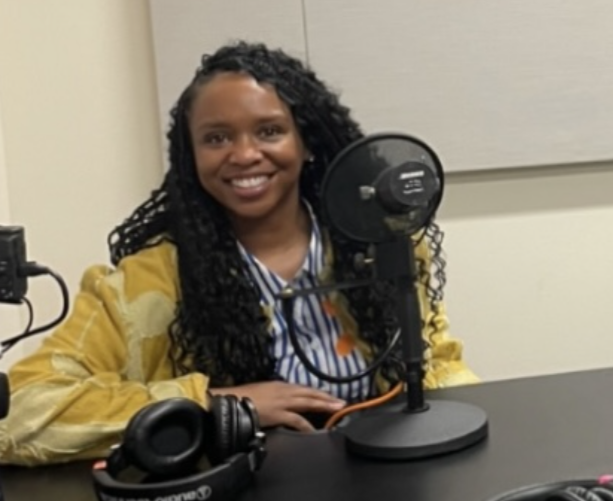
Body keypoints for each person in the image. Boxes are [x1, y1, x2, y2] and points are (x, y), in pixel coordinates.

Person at [0, 42, 475, 466]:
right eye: (217, 138)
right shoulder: (145, 284)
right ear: (191, 156)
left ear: (306, 142)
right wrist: (213, 403)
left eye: (269, 131)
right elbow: (22, 410)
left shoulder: (379, 246)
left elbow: (437, 364)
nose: (245, 155)